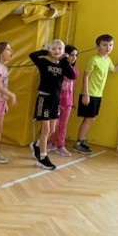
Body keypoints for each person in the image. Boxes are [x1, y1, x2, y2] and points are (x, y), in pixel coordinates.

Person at [74, 34, 118, 154]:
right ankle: (79, 143)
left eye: (110, 45)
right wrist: (85, 94)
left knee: (92, 119)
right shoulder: (93, 60)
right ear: (98, 47)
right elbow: (85, 77)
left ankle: (83, 139)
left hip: (98, 95)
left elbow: (114, 69)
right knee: (88, 119)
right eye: (105, 45)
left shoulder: (107, 60)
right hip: (90, 94)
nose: (108, 47)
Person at [28, 40, 77, 170]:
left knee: (52, 129)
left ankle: (37, 145)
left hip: (55, 101)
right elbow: (32, 55)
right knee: (46, 129)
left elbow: (72, 75)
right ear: (50, 50)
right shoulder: (44, 63)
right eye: (53, 48)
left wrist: (65, 61)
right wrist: (45, 52)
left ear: (63, 51)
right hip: (44, 99)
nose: (56, 51)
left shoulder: (63, 65)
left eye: (59, 49)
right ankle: (43, 158)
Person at [48, 44, 79, 156]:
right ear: (65, 55)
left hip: (68, 102)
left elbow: (73, 87)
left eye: (76, 55)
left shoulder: (75, 70)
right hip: (57, 101)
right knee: (54, 124)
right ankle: (51, 143)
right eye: (71, 55)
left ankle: (61, 145)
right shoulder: (59, 68)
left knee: (63, 125)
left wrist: (73, 101)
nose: (74, 57)